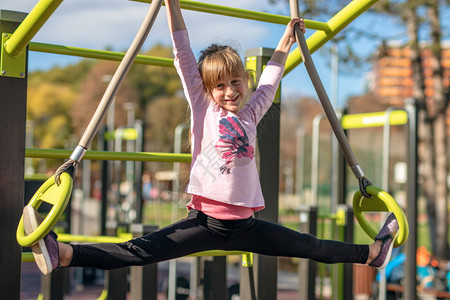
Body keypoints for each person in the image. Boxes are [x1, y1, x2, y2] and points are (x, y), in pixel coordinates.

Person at [23, 0, 399, 276]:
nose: (230, 91)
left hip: (247, 225)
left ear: (244, 82)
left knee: (309, 245)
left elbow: (271, 76)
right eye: (219, 86)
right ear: (207, 90)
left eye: (236, 82)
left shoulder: (252, 111)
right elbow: (184, 55)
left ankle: (373, 253)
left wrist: (287, 37)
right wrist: (172, 6)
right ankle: (65, 254)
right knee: (137, 251)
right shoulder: (206, 111)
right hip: (204, 222)